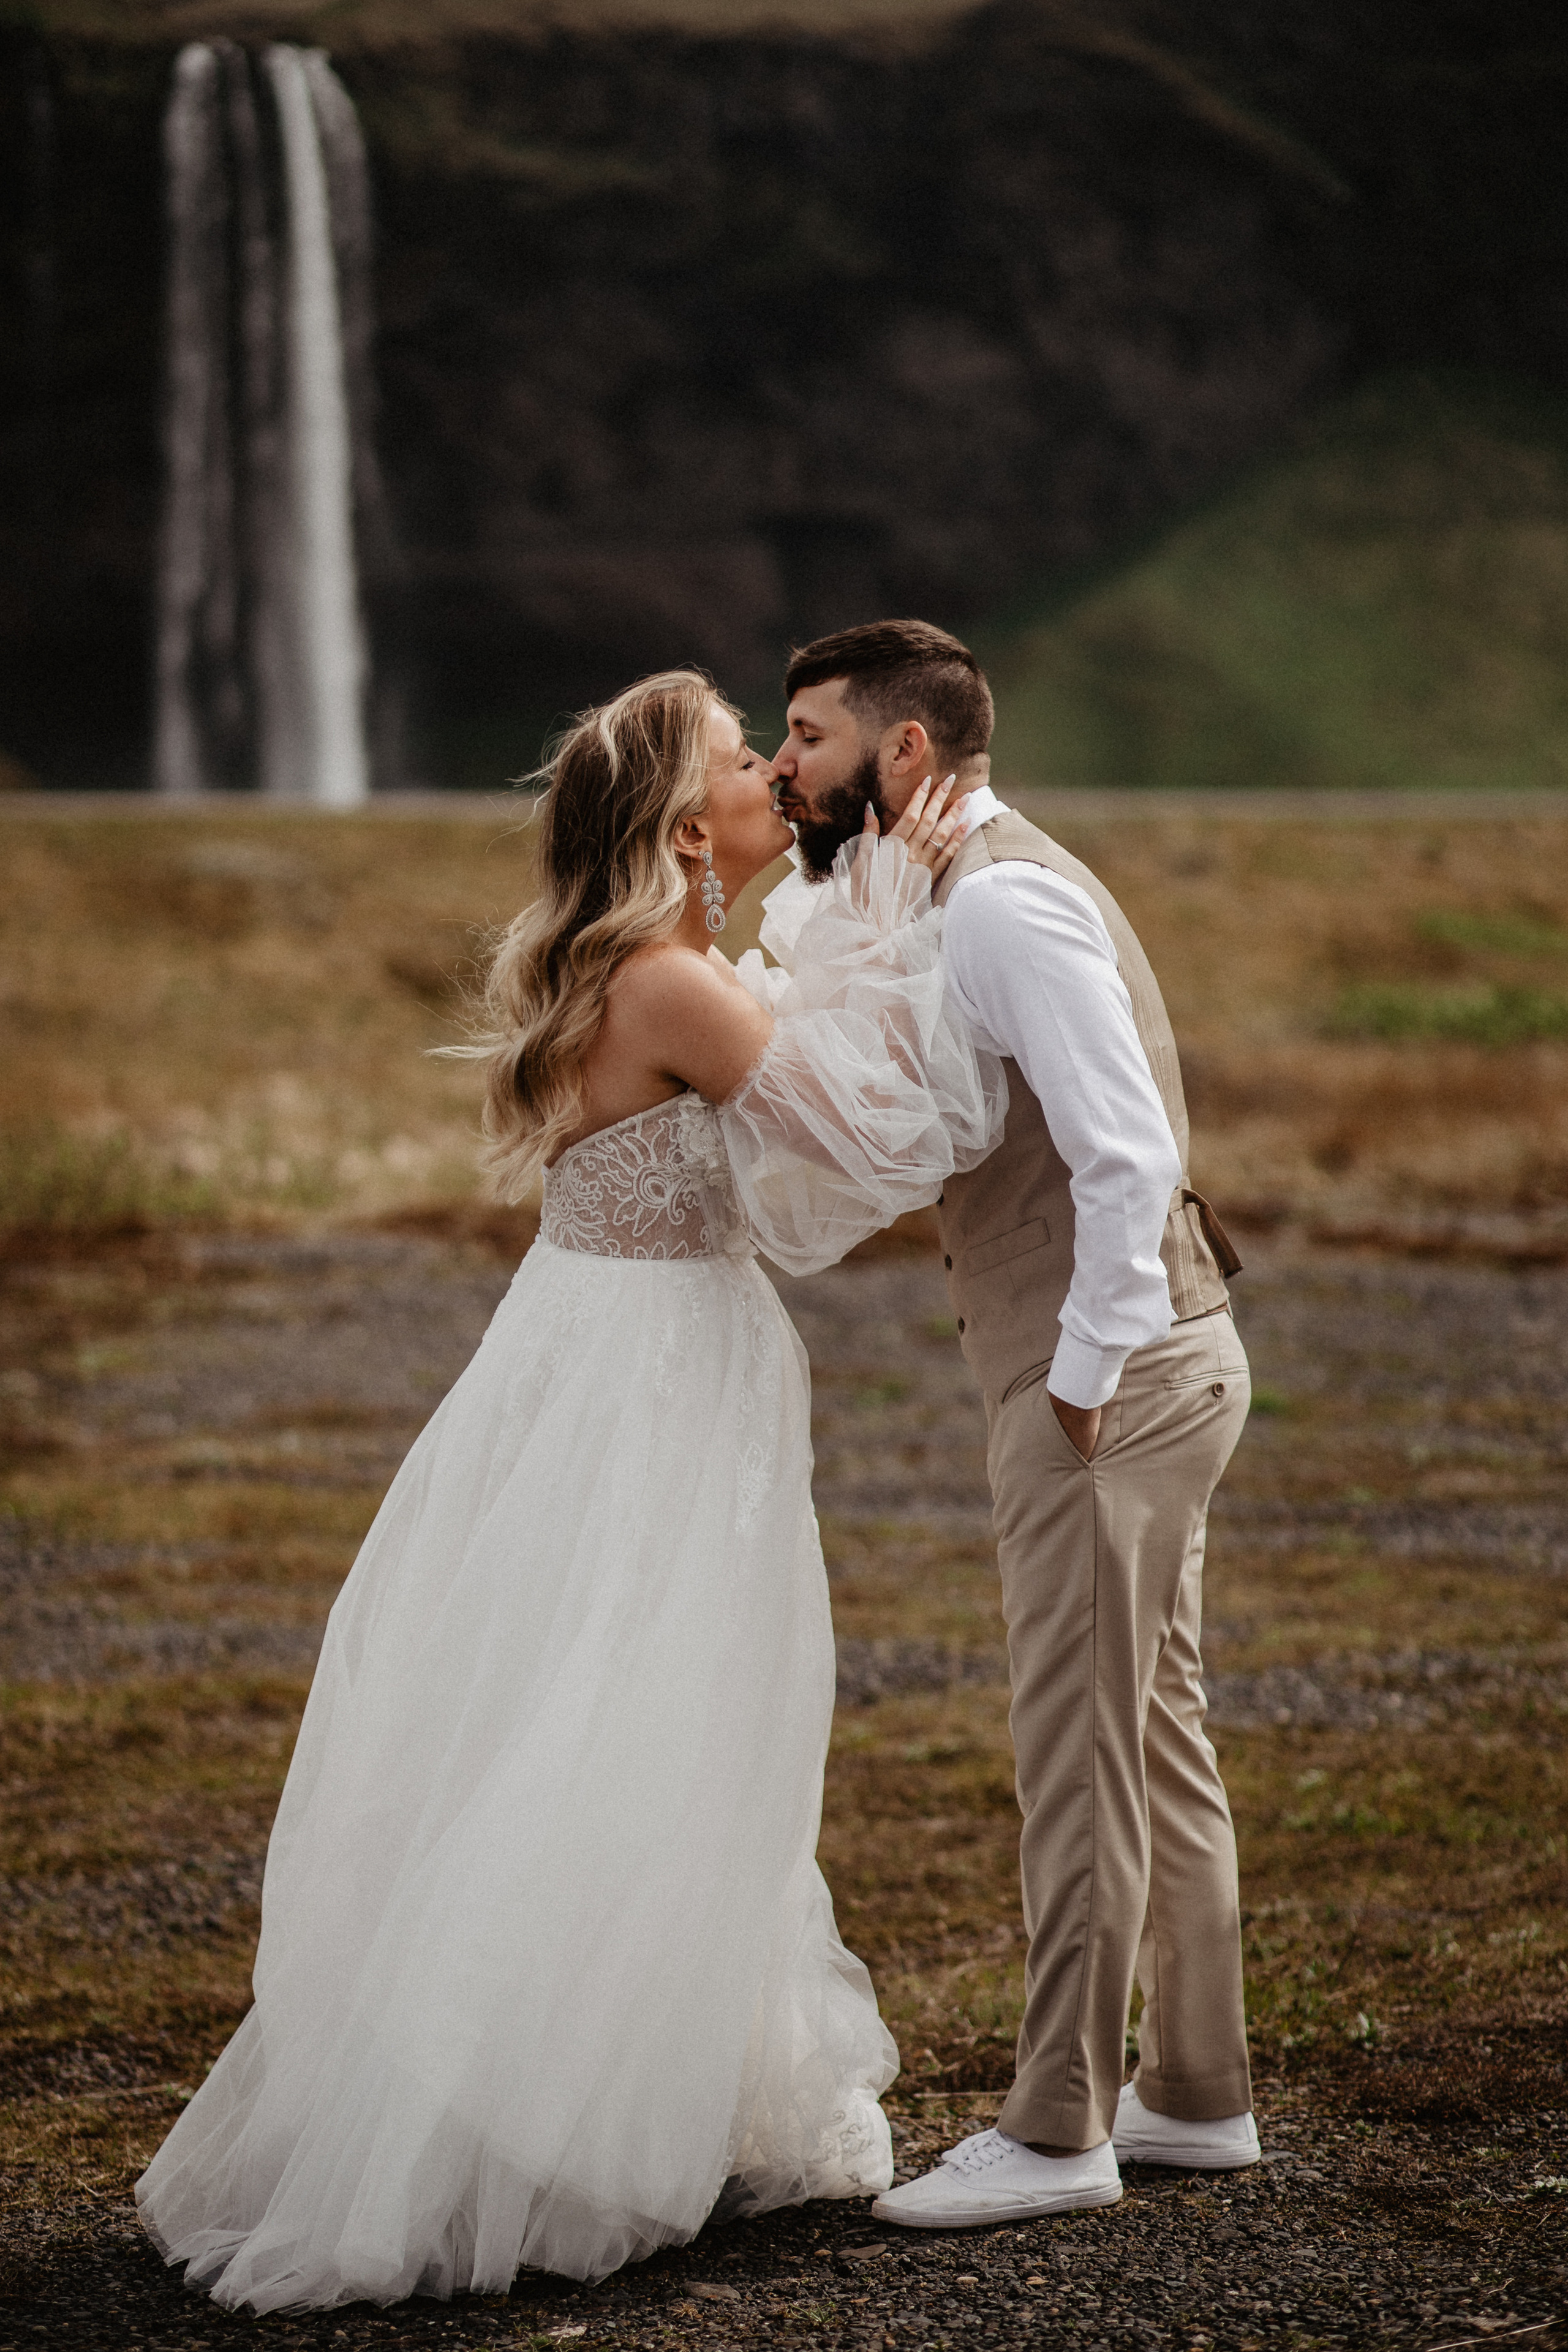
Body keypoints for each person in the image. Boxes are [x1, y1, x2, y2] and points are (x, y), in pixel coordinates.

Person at [135, 669, 1006, 2307]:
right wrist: (899, 895)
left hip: (590, 1362)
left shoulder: (619, 965)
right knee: (645, 1718)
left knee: (609, 1710)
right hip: (656, 1387)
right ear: (692, 828)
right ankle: (564, 2119)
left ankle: (645, 2083)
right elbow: (884, 1138)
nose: (776, 773)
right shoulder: (672, 985)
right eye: (753, 759)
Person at [768, 619, 1259, 2230]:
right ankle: (1196, 2094)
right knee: (1152, 1734)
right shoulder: (959, 887)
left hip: (1113, 1379)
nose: (786, 766)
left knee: (1078, 1758)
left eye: (808, 735)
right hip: (1154, 1363)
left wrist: (1085, 1372)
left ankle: (1059, 2128)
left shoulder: (1005, 907)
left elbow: (1123, 1150)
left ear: (904, 753)